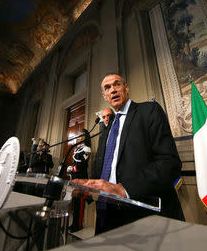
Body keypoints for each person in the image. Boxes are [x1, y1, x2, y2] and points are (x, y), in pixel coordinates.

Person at [75, 73, 184, 234]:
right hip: (106, 212)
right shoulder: (108, 125)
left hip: (142, 214)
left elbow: (169, 162)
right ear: (105, 96)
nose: (112, 90)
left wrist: (125, 189)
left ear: (126, 88)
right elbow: (106, 166)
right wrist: (90, 184)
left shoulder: (149, 111)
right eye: (107, 88)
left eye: (117, 84)